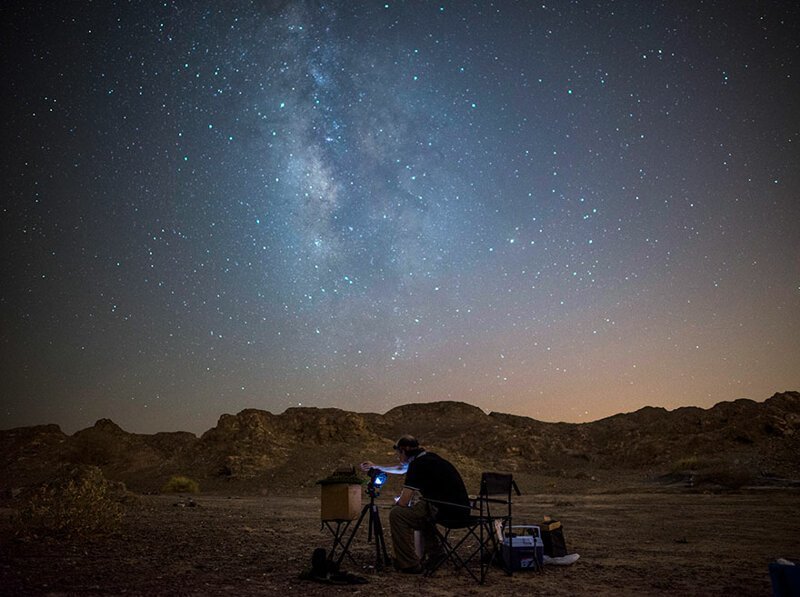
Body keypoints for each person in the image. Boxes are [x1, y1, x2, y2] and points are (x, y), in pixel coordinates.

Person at [360, 435, 470, 573]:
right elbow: (401, 469)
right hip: (462, 510)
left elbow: (403, 502)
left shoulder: (417, 465)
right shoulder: (429, 458)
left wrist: (398, 503)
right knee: (421, 509)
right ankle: (436, 552)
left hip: (445, 511)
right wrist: (377, 466)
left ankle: (408, 564)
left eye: (398, 454)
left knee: (398, 514)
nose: (398, 457)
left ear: (404, 450)